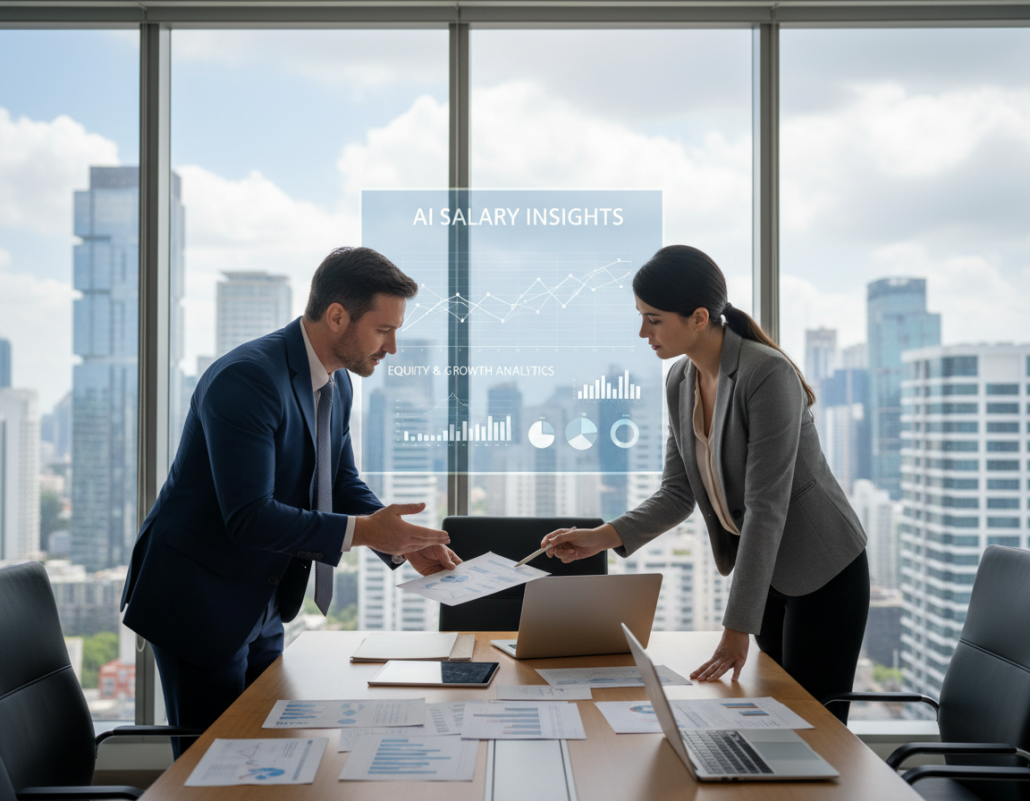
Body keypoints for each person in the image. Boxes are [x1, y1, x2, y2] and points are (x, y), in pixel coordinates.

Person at [120, 246, 461, 754]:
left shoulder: (337, 381)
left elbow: (340, 481)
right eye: (384, 329)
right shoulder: (249, 378)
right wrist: (367, 532)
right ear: (338, 316)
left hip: (263, 597)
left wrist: (402, 542)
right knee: (216, 768)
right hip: (199, 601)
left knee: (271, 753)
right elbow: (248, 516)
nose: (392, 347)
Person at [541, 245, 869, 723]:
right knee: (779, 715)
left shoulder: (766, 374)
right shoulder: (680, 379)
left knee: (815, 721)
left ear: (698, 317)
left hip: (824, 568)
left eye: (653, 319)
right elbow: (677, 494)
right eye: (640, 317)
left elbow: (766, 506)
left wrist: (736, 627)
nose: (642, 332)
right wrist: (602, 538)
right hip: (769, 571)